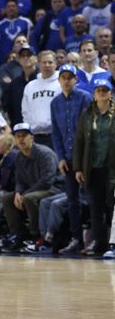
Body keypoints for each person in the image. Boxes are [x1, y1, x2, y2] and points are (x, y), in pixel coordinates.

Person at [51, 64, 92, 255]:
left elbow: (88, 131)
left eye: (70, 77)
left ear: (76, 79)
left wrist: (84, 159)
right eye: (63, 77)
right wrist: (60, 157)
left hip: (84, 158)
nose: (66, 80)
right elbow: (56, 133)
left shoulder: (85, 98)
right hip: (67, 159)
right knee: (72, 200)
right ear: (59, 80)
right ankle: (76, 239)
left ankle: (95, 238)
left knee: (92, 199)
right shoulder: (55, 102)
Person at [1, 123, 62, 253]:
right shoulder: (18, 156)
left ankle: (35, 236)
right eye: (18, 136)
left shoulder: (44, 154)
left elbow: (47, 181)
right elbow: (19, 180)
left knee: (29, 198)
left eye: (24, 136)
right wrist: (18, 192)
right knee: (6, 198)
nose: (21, 139)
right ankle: (19, 235)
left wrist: (24, 194)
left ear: (32, 138)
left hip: (54, 189)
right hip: (34, 190)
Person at [73, 78, 115, 256]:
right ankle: (99, 243)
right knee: (96, 207)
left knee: (112, 207)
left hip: (112, 167)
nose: (102, 93)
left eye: (105, 90)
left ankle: (113, 243)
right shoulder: (87, 114)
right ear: (94, 94)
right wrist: (78, 168)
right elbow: (80, 142)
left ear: (111, 93)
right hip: (93, 167)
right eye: (99, 90)